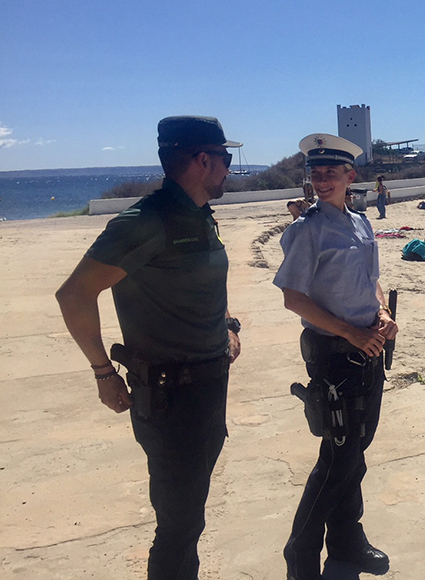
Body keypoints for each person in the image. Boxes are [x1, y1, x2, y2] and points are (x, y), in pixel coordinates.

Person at [55, 116, 243, 579]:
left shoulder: (199, 214)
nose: (228, 167)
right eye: (226, 157)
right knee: (178, 526)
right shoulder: (146, 221)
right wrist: (103, 373)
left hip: (206, 390)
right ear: (203, 159)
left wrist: (227, 327)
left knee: (189, 518)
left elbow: (197, 286)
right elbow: (74, 294)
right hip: (169, 398)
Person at [274, 133, 397, 580]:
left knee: (356, 452)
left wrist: (383, 314)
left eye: (331, 174)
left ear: (351, 176)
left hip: (369, 349)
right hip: (333, 354)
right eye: (316, 174)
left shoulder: (361, 223)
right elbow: (293, 298)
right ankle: (300, 558)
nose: (322, 181)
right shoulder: (306, 230)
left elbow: (372, 282)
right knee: (337, 459)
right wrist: (349, 330)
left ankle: (347, 543)